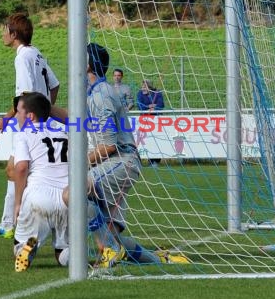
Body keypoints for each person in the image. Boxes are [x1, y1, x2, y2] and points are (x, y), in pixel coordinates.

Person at [53, 43, 189, 268]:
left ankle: (111, 250)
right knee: (109, 234)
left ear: (87, 63)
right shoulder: (92, 93)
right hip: (112, 164)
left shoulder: (102, 95)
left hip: (122, 162)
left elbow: (109, 146)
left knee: (73, 193)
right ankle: (160, 259)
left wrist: (80, 165)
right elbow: (73, 117)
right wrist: (46, 108)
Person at [0, 12, 60, 239]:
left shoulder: (22, 57)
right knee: (19, 170)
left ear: (14, 34)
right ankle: (13, 222)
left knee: (18, 169)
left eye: (5, 30)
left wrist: (8, 118)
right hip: (41, 120)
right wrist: (46, 112)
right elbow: (54, 86)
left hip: (29, 122)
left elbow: (25, 95)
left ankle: (15, 223)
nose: (2, 34)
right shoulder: (37, 53)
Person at [12, 92, 69, 272]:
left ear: (30, 116)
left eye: (18, 112)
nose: (16, 116)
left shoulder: (24, 133)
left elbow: (21, 167)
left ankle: (26, 248)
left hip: (39, 194)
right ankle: (67, 255)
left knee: (19, 245)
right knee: (64, 252)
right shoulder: (63, 131)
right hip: (67, 197)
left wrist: (18, 202)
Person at [137, 79, 164, 166]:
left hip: (155, 120)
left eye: (145, 87)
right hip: (144, 120)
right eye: (142, 87)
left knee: (156, 139)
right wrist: (149, 106)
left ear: (150, 87)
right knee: (145, 140)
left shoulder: (157, 93)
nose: (143, 89)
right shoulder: (140, 94)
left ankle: (155, 161)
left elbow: (160, 105)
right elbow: (140, 106)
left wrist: (152, 108)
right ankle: (144, 160)